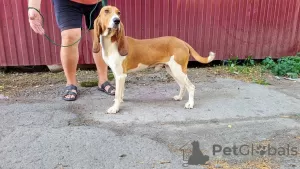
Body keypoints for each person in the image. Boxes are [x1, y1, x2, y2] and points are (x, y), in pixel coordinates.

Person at [27, 0, 115, 101]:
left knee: (101, 37)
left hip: (97, 3)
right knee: (70, 36)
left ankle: (103, 81)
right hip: (67, 3)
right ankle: (71, 83)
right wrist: (33, 8)